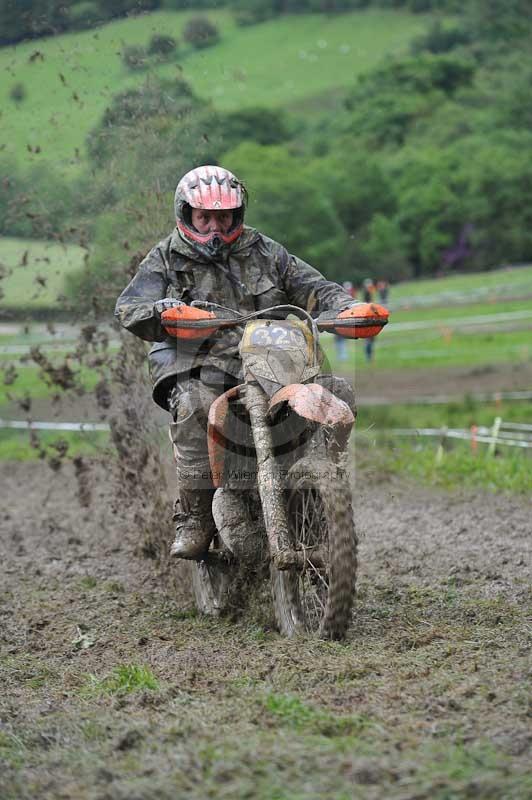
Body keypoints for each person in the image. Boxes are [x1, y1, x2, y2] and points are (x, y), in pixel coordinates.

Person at [115, 165, 359, 560]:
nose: (215, 226)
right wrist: (164, 311)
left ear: (237, 214)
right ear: (187, 214)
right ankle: (196, 515)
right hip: (201, 363)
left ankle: (320, 488)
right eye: (205, 217)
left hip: (270, 360)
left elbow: (314, 288)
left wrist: (346, 308)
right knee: (193, 403)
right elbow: (129, 307)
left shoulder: (264, 250)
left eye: (223, 217)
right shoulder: (166, 257)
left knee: (336, 390)